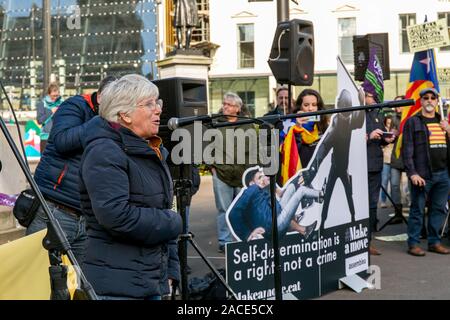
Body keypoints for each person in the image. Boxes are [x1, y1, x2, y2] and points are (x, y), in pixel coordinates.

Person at [79, 74, 182, 300]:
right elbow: (116, 216)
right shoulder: (105, 152)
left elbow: (165, 208)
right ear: (124, 114)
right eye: (148, 104)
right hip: (117, 287)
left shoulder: (152, 151)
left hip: (149, 280)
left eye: (158, 103)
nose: (158, 110)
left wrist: (171, 269)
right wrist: (174, 222)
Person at [27, 75, 117, 265]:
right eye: (114, 103)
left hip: (86, 217)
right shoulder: (75, 105)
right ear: (100, 97)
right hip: (55, 209)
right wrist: (101, 121)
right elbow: (62, 141)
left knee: (80, 286)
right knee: (41, 276)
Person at [305, 89, 365, 230]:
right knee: (328, 197)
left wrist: (361, 102)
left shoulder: (348, 121)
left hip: (344, 168)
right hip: (336, 166)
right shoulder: (336, 126)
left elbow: (359, 121)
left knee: (349, 195)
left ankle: (353, 218)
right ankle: (323, 224)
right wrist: (314, 167)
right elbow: (324, 147)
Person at [402, 87, 450, 256]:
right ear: (421, 101)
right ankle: (413, 243)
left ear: (437, 102)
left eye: (433, 98)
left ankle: (434, 242)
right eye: (426, 98)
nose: (429, 100)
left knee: (438, 209)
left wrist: (448, 130)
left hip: (443, 174)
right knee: (417, 210)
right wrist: (412, 173)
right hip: (422, 175)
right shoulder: (413, 122)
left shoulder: (443, 122)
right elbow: (406, 151)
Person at [227, 166, 322, 242]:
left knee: (292, 187)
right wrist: (247, 234)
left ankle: (300, 224)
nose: (263, 179)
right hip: (274, 227)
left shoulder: (260, 191)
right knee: (301, 191)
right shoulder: (252, 189)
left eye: (262, 176)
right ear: (252, 183)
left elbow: (278, 200)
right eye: (259, 177)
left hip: (275, 219)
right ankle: (321, 194)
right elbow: (233, 214)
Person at [210, 92, 253, 253]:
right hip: (221, 174)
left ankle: (243, 238)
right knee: (224, 209)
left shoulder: (247, 123)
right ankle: (224, 241)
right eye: (224, 104)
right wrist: (212, 166)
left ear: (237, 108)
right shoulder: (215, 123)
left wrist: (251, 170)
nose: (225, 107)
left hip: (242, 174)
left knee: (243, 208)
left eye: (229, 104)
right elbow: (206, 145)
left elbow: (254, 148)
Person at [364, 91, 395, 255]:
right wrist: (369, 136)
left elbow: (382, 136)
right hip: (359, 166)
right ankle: (361, 242)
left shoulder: (376, 113)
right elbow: (349, 139)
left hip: (375, 165)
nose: (372, 98)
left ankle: (368, 241)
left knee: (371, 204)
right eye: (369, 94)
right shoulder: (354, 113)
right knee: (360, 206)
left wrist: (388, 138)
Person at [280, 89, 328, 185]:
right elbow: (288, 152)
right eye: (306, 105)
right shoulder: (290, 125)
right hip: (300, 176)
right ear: (299, 107)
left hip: (321, 173)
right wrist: (298, 128)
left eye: (314, 105)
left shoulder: (324, 125)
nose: (310, 109)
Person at [389, 95, 410, 218]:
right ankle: (398, 212)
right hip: (396, 157)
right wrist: (391, 135)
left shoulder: (411, 117)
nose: (397, 107)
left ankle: (415, 210)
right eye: (395, 104)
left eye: (400, 104)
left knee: (412, 186)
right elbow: (390, 139)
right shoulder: (393, 118)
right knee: (394, 185)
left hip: (409, 156)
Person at [36, 83, 63, 153]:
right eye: (53, 96)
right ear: (48, 94)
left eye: (57, 95)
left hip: (59, 136)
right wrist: (50, 112)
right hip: (46, 137)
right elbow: (39, 120)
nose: (55, 98)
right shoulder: (42, 103)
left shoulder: (62, 103)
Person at [380, 115, 393, 208]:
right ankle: (383, 201)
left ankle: (395, 201)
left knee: (395, 183)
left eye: (390, 123)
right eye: (387, 123)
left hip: (395, 160)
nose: (389, 125)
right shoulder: (383, 132)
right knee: (384, 181)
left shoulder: (396, 131)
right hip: (385, 159)